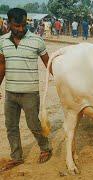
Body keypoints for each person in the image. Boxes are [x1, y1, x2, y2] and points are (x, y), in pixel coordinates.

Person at [0, 8, 52, 172]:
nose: (21, 29)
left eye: (23, 25)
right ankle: (16, 157)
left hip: (30, 93)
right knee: (11, 126)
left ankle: (45, 148)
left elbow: (49, 64)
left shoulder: (37, 40)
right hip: (10, 93)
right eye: (17, 26)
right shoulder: (2, 41)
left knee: (33, 124)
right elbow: (2, 65)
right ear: (8, 24)